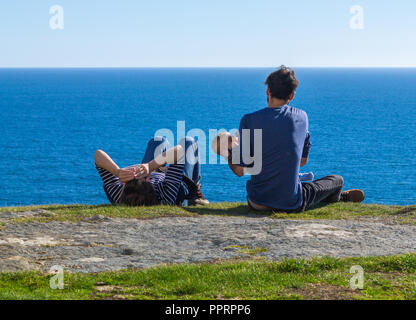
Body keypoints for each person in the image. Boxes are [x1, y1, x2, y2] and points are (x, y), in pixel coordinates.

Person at [224, 66, 365, 212]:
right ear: (291, 95)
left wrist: (228, 152)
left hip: (257, 202)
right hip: (290, 202)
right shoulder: (301, 117)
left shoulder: (249, 120)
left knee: (302, 187)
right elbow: (302, 161)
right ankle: (337, 198)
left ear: (268, 91)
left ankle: (331, 197)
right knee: (336, 180)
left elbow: (240, 171)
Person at [94, 136, 209, 206]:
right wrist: (150, 166)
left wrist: (117, 172)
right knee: (188, 142)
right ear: (147, 178)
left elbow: (98, 155)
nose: (135, 170)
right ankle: (196, 194)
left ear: (124, 184)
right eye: (137, 173)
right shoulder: (166, 194)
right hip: (175, 184)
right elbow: (179, 151)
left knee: (158, 140)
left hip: (155, 173)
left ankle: (157, 165)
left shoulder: (118, 194)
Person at [212, 132, 314, 182]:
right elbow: (240, 172)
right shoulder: (234, 156)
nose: (233, 139)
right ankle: (296, 176)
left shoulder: (240, 140)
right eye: (229, 141)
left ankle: (295, 175)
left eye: (231, 137)